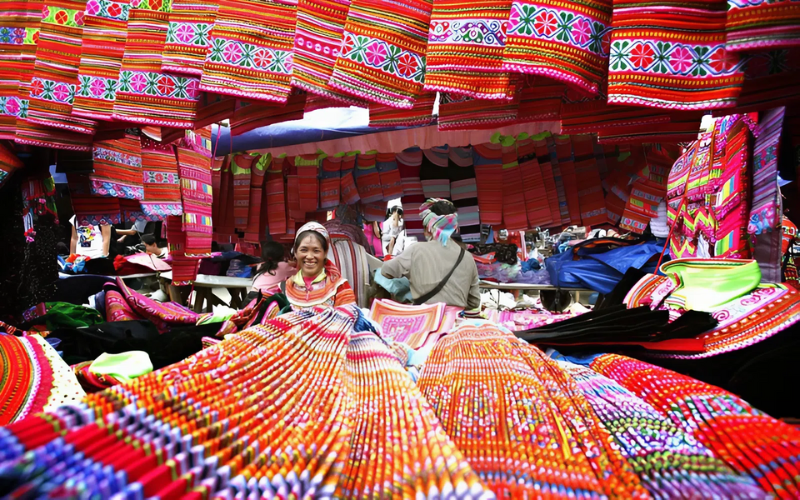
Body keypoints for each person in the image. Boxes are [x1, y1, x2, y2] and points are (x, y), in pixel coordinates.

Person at [381, 198, 480, 310]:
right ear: (454, 228)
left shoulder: (416, 250)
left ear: (428, 227)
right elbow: (474, 302)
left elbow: (386, 271)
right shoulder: (467, 257)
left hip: (425, 321)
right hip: (454, 322)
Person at [282, 222, 356, 308]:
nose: (309, 256)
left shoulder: (339, 288)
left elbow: (349, 318)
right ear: (295, 252)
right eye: (304, 250)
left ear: (325, 253)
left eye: (316, 251)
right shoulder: (285, 288)